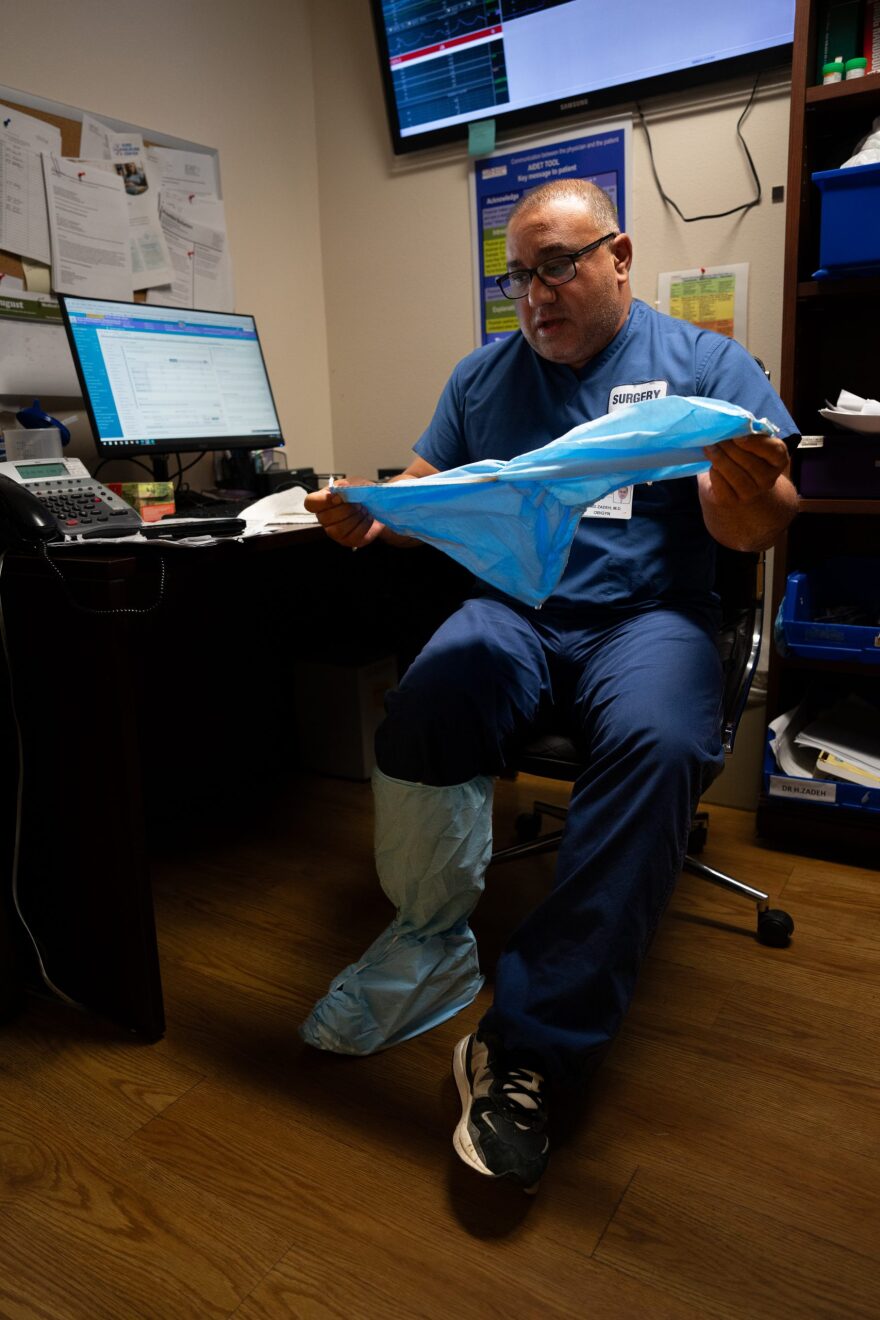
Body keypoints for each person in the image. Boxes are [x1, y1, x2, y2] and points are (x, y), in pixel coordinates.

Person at [300, 179, 798, 1193]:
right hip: (520, 612)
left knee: (660, 743)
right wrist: (367, 512)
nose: (536, 293)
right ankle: (431, 940)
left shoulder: (702, 363)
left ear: (618, 257)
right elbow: (421, 492)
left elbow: (761, 521)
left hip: (647, 616)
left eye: (558, 265)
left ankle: (529, 1048)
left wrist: (745, 494)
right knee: (432, 694)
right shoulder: (483, 380)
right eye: (519, 275)